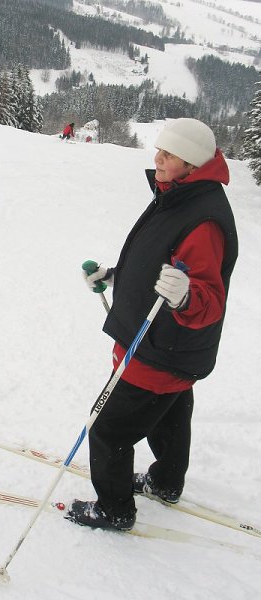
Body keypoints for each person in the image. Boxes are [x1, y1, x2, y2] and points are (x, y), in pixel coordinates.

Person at [66, 118, 238, 531]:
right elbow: (158, 260)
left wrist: (184, 296)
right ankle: (165, 483)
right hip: (171, 350)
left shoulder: (203, 220)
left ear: (192, 164)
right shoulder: (178, 195)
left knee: (107, 430)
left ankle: (114, 509)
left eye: (168, 154)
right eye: (158, 149)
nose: (156, 158)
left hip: (159, 349)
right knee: (170, 414)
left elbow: (209, 300)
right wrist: (113, 276)